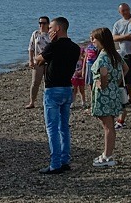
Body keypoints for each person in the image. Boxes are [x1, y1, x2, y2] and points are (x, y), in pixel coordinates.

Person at [33, 16, 78, 174]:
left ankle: (55, 163)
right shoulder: (75, 47)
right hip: (67, 88)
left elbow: (39, 59)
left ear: (58, 29)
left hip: (53, 89)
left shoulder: (54, 46)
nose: (49, 30)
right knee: (64, 126)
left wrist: (50, 45)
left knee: (52, 128)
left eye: (51, 28)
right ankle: (65, 160)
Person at [88, 27, 125, 167]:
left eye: (94, 39)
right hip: (113, 92)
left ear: (101, 40)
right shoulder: (115, 55)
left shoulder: (103, 56)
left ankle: (107, 156)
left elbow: (103, 73)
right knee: (110, 125)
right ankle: (107, 154)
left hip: (104, 94)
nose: (92, 42)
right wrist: (116, 82)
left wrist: (102, 84)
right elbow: (125, 69)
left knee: (107, 126)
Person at [26, 16, 52, 109]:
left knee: (48, 82)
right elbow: (31, 48)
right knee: (35, 82)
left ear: (48, 24)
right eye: (40, 23)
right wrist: (30, 60)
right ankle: (32, 102)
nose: (41, 25)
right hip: (38, 61)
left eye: (44, 23)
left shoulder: (51, 34)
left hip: (49, 61)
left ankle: (46, 101)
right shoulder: (36, 34)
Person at [73, 40, 94, 107]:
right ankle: (73, 102)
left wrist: (81, 71)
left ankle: (83, 102)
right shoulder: (73, 61)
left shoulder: (82, 61)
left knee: (82, 90)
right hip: (74, 77)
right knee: (74, 90)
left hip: (81, 77)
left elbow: (84, 67)